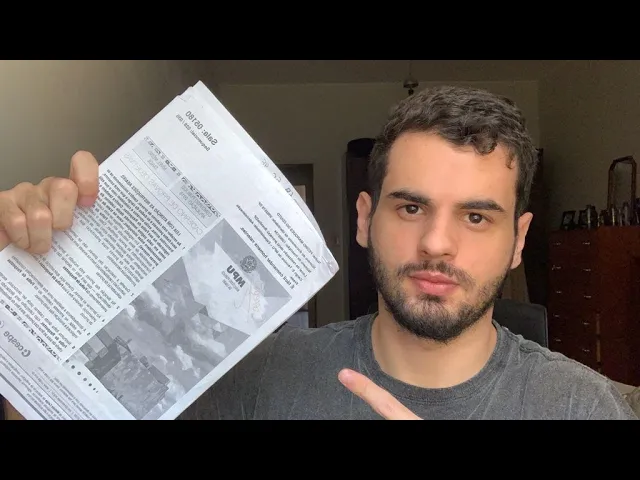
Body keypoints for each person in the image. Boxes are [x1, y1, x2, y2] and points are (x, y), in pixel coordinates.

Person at [1, 85, 637, 420]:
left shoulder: (583, 407)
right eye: (409, 207)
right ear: (363, 219)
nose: (437, 243)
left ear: (519, 240)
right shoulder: (257, 377)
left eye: (476, 216)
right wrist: (32, 286)